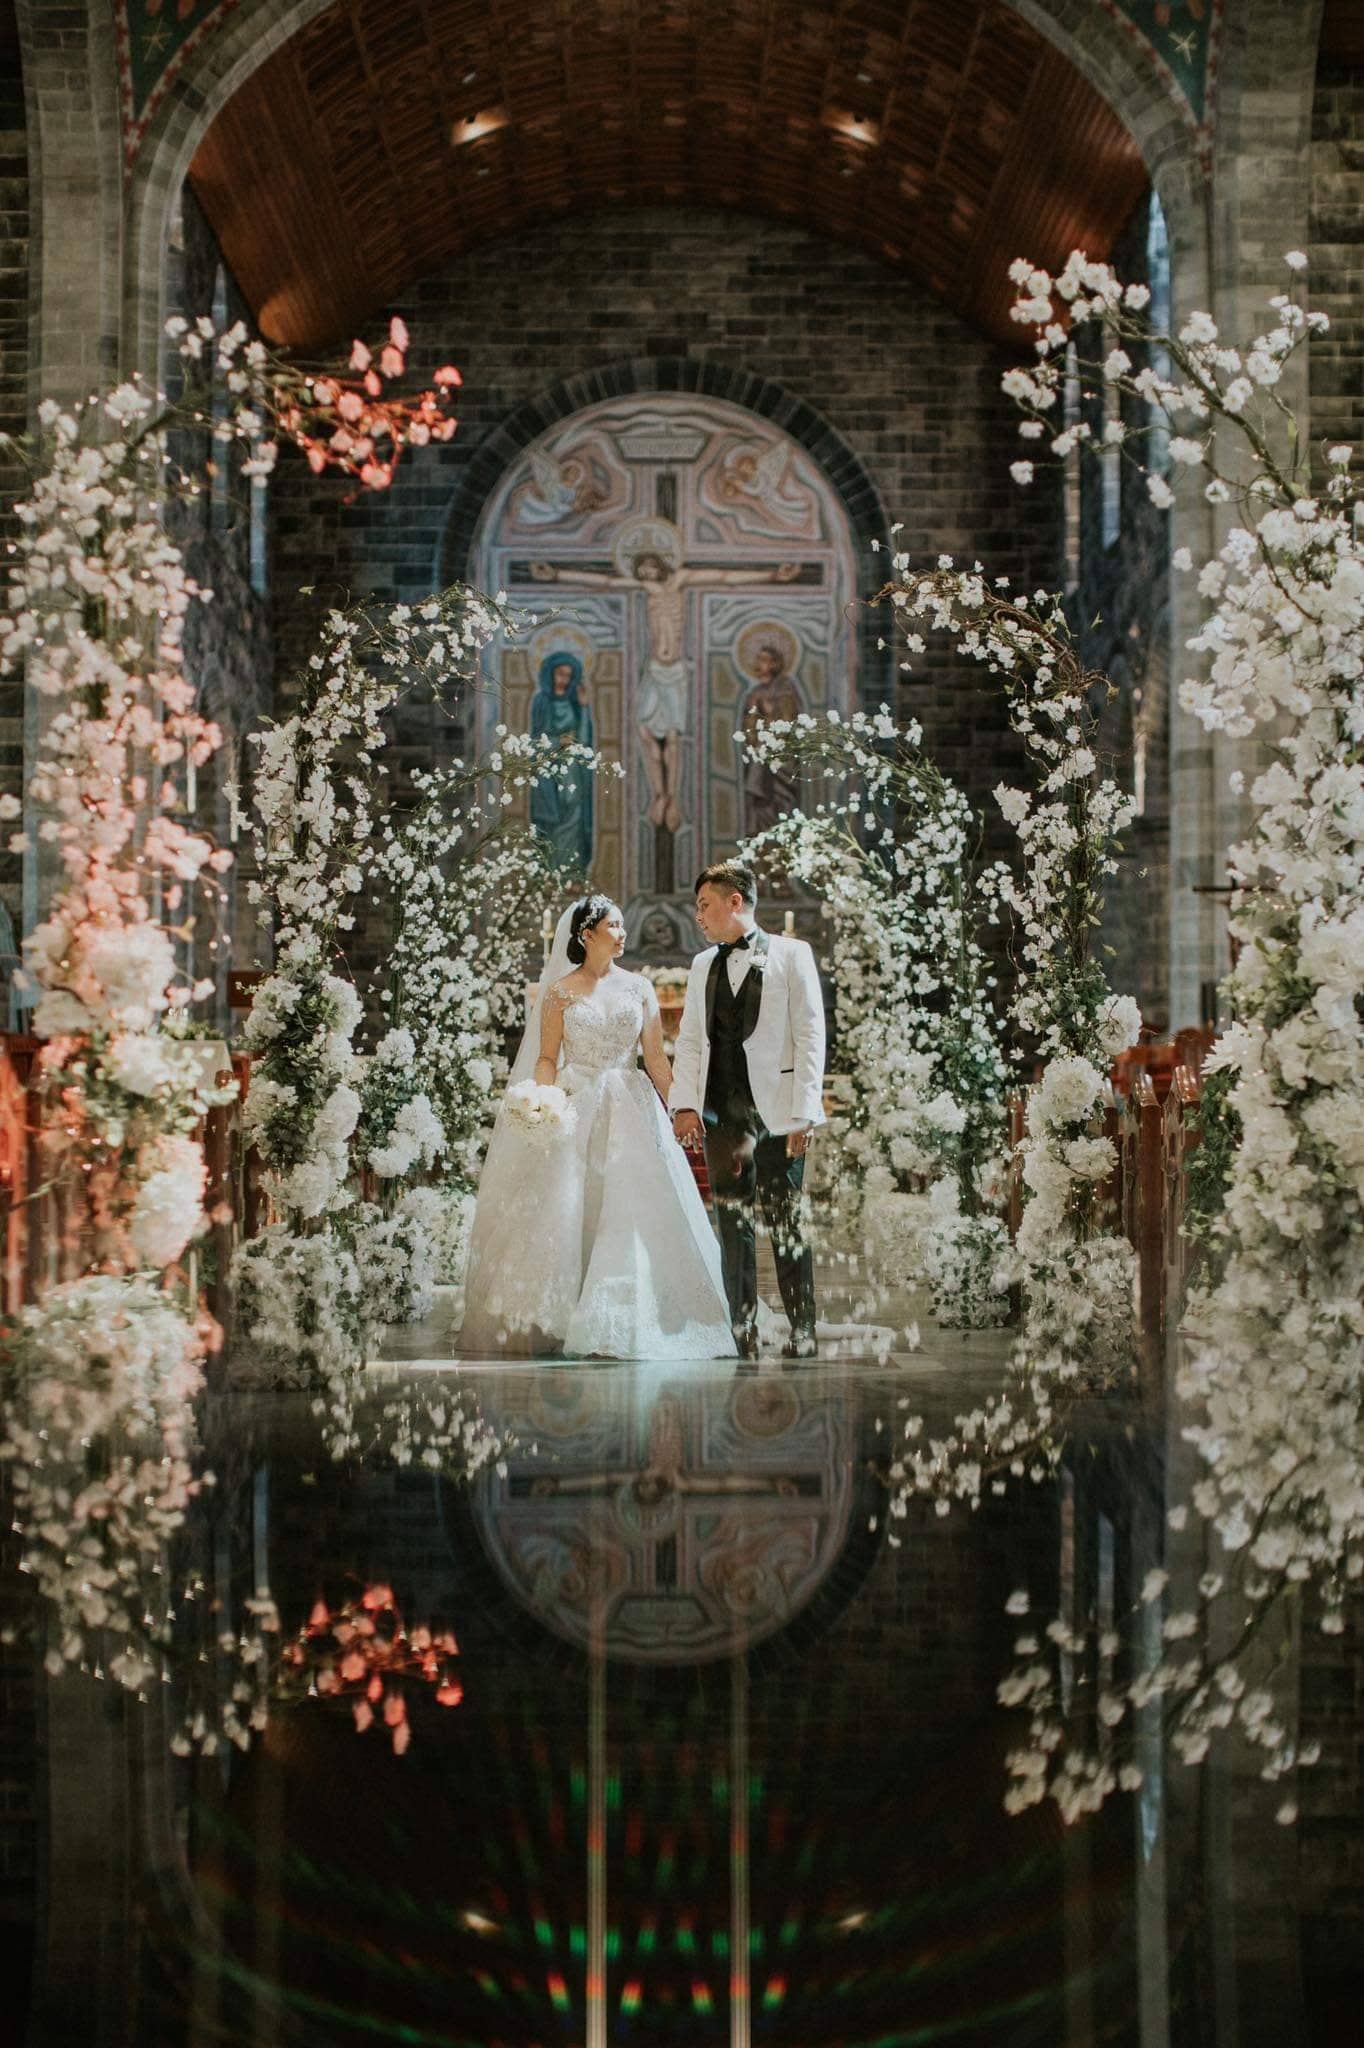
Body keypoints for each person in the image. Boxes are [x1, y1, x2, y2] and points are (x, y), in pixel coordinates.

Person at [458, 896, 736, 1360]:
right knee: (570, 1207)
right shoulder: (560, 992)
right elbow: (547, 1057)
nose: (623, 933)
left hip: (632, 1106)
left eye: (624, 924)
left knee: (632, 1208)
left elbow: (655, 1060)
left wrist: (681, 1108)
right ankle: (564, 1313)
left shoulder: (639, 988)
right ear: (587, 934)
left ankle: (633, 1316)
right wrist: (542, 1100)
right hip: (577, 1103)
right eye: (614, 925)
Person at [670, 861, 825, 1361]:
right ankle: (742, 1329)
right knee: (732, 1226)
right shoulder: (702, 965)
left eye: (704, 905)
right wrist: (686, 1105)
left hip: (778, 1113)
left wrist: (805, 1113)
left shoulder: (792, 955)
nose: (698, 916)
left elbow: (811, 1036)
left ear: (734, 901)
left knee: (785, 1221)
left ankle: (803, 1327)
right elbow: (690, 1040)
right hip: (722, 1116)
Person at [531, 552, 799, 834]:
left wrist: (772, 575)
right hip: (655, 669)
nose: (646, 574)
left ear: (659, 564)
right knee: (645, 732)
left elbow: (725, 577)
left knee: (672, 738)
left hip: (675, 673)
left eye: (649, 568)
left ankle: (672, 798)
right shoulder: (646, 588)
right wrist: (557, 575)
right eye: (641, 572)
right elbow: (606, 582)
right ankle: (659, 794)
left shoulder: (681, 578)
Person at [528, 650, 595, 872]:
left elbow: (583, 740)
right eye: (560, 674)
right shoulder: (541, 702)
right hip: (548, 773)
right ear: (550, 673)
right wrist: (558, 741)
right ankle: (548, 874)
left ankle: (571, 873)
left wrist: (584, 707)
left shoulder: (574, 703)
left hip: (572, 771)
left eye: (568, 675)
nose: (564, 680)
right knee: (550, 824)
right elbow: (534, 742)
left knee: (573, 819)